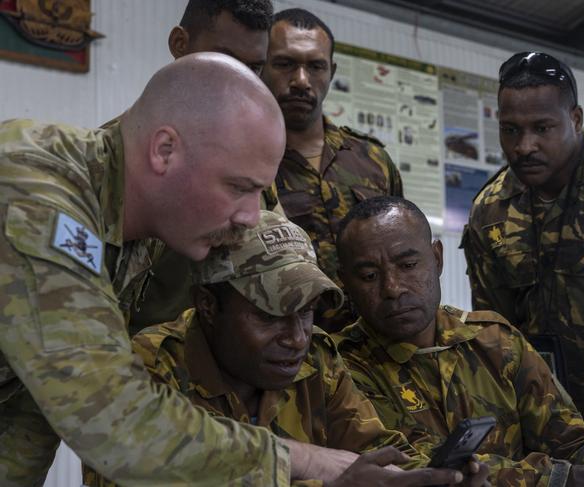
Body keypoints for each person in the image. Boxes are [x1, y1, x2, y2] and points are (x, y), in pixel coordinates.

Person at [0, 53, 348, 487]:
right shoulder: (35, 197)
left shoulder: (138, 226)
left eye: (258, 192)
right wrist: (309, 462)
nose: (250, 216)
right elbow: (115, 420)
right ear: (165, 151)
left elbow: (25, 405)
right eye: (239, 188)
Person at [84, 210, 488, 487]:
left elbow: (377, 452)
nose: (296, 338)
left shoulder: (316, 358)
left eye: (307, 312)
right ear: (208, 304)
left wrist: (429, 477)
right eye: (269, 316)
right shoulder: (147, 369)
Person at [334, 196, 584, 486]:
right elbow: (422, 471)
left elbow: (567, 436)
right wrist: (573, 477)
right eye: (369, 276)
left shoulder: (495, 341)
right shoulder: (339, 368)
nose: (393, 287)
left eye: (408, 265)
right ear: (344, 282)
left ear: (437, 258)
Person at [460, 51, 584, 439]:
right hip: (546, 418)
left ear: (575, 120)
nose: (524, 146)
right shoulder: (490, 209)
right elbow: (494, 334)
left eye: (542, 128)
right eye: (511, 130)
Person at [128, 0, 283, 334]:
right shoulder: (119, 163)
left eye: (253, 68)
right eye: (224, 60)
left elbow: (277, 272)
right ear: (180, 45)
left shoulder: (249, 168)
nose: (239, 81)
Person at [263, 8, 403, 332]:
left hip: (376, 354)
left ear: (332, 71)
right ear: (261, 66)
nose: (301, 80)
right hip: (291, 355)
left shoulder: (373, 160)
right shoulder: (245, 162)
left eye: (315, 66)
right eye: (285, 64)